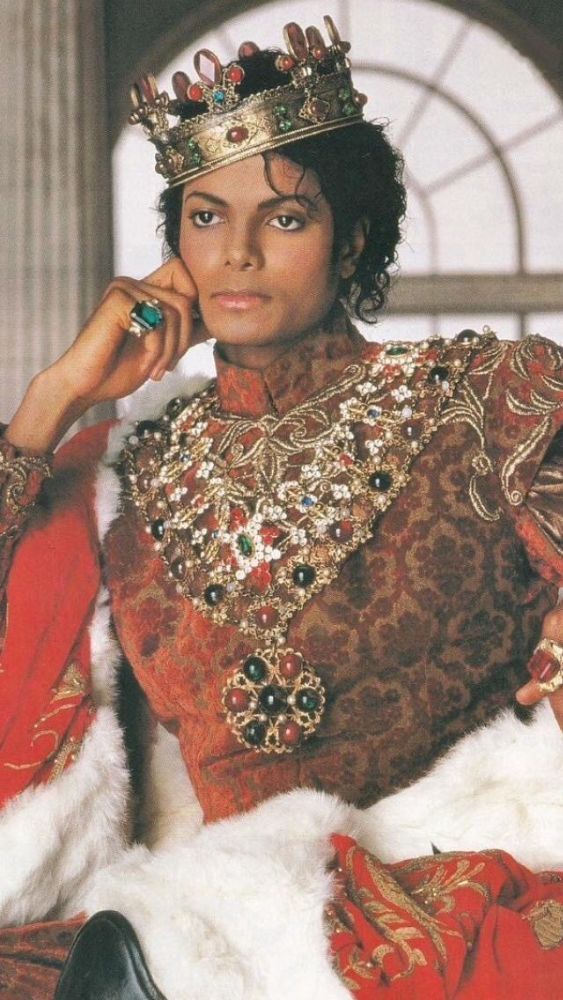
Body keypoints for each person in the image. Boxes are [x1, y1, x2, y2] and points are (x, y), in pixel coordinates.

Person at [0, 15, 563, 1000]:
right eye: (206, 217)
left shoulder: (489, 398)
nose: (239, 253)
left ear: (351, 240)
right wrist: (55, 396)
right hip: (198, 917)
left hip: (454, 887)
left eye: (285, 218)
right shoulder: (126, 463)